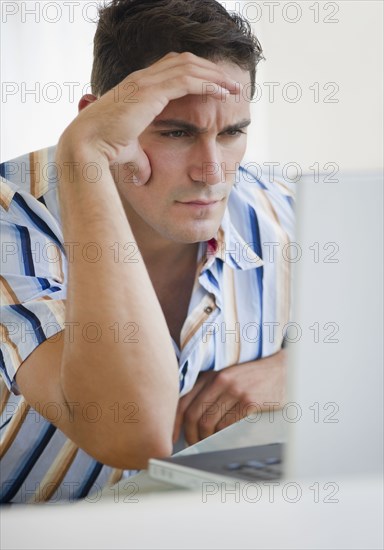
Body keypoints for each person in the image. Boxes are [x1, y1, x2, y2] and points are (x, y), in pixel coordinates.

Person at [0, 0, 294, 504]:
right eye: (177, 132)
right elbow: (134, 433)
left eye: (232, 133)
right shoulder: (12, 223)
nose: (212, 171)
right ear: (99, 121)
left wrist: (304, 370)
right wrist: (83, 159)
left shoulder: (282, 209)